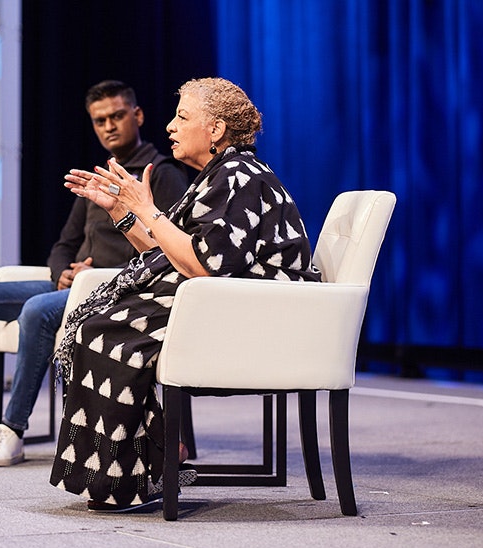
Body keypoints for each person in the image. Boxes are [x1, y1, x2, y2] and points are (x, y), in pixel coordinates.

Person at [51, 77, 322, 511]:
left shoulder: (240, 176)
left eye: (182, 116)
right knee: (99, 327)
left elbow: (203, 266)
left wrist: (147, 208)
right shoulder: (218, 176)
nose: (171, 126)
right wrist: (122, 210)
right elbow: (171, 255)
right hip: (223, 306)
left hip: (256, 321)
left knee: (107, 334)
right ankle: (141, 470)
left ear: (215, 130)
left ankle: (139, 472)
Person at [0, 80, 189, 466]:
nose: (108, 126)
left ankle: (11, 429)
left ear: (137, 116)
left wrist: (89, 276)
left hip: (114, 287)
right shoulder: (100, 175)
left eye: (117, 116)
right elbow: (63, 244)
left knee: (39, 310)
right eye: (99, 120)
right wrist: (63, 272)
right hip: (73, 283)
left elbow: (167, 247)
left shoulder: (159, 174)